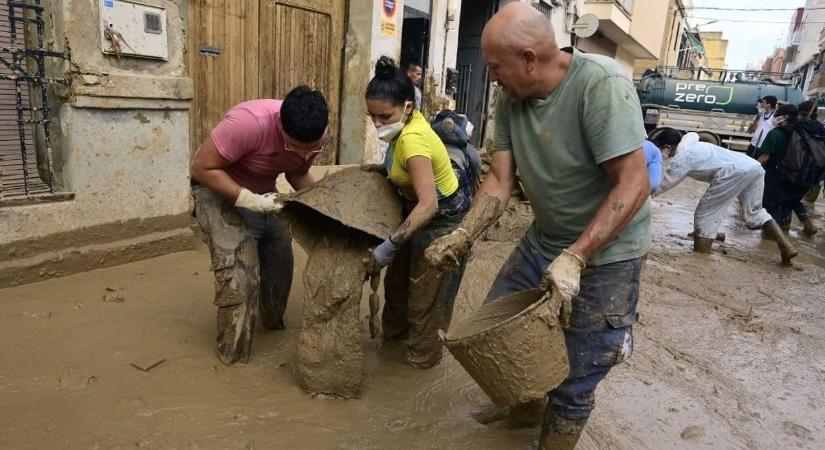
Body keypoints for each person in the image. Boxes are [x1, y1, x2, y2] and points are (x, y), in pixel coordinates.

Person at [425, 4, 651, 448]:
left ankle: (553, 438)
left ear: (529, 58)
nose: (491, 78)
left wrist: (575, 257)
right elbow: (499, 181)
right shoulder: (511, 97)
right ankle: (524, 412)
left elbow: (634, 183)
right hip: (543, 239)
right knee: (496, 333)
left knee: (578, 373)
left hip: (607, 254)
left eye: (495, 67)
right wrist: (463, 234)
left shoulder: (600, 86)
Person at [189, 86, 329, 365]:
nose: (303, 153)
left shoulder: (317, 131)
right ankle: (234, 358)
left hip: (264, 192)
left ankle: (272, 325)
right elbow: (201, 168)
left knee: (281, 259)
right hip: (217, 190)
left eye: (309, 148)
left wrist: (322, 207)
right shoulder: (248, 124)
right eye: (294, 146)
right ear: (280, 125)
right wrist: (247, 200)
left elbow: (297, 172)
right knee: (240, 274)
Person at [363, 56, 473, 368]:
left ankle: (420, 360)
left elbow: (429, 205)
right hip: (415, 209)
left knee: (427, 298)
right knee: (396, 286)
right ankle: (393, 346)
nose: (377, 124)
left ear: (408, 107)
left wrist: (388, 246)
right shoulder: (402, 130)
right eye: (372, 116)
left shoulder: (412, 139)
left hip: (442, 219)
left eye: (384, 116)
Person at [652, 129, 797, 262]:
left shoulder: (683, 157)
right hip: (753, 167)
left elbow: (662, 185)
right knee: (755, 212)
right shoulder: (694, 144)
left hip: (733, 172)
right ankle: (786, 246)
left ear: (667, 147)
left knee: (706, 214)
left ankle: (701, 258)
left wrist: (639, 196)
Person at [759, 104, 819, 236]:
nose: (774, 117)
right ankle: (787, 231)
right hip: (800, 177)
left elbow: (764, 157)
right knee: (789, 204)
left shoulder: (776, 134)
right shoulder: (801, 133)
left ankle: (774, 239)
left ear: (784, 117)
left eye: (777, 114)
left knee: (773, 208)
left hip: (776, 178)